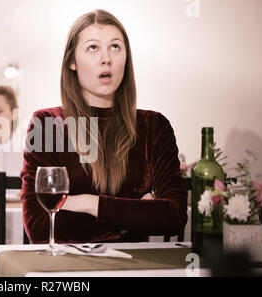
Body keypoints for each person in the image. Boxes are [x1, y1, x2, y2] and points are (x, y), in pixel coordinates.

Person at [21, 10, 188, 244]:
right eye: (93, 48)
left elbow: (174, 216)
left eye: (115, 47)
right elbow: (41, 228)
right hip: (68, 272)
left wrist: (87, 203)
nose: (106, 58)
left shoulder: (154, 126)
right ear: (72, 61)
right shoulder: (46, 124)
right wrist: (136, 213)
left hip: (133, 268)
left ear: (126, 58)